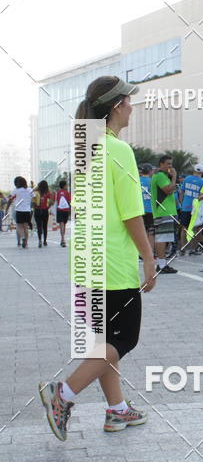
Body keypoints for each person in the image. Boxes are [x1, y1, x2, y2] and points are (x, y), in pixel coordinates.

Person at [39, 75, 155, 440]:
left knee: (103, 340)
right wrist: (149, 258)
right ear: (117, 106)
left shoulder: (85, 149)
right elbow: (131, 214)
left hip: (86, 261)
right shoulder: (118, 150)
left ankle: (117, 410)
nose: (132, 106)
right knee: (123, 339)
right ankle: (63, 394)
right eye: (128, 100)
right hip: (113, 263)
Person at [151, 154, 178, 274]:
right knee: (162, 238)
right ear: (161, 164)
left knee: (164, 238)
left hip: (166, 211)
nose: (170, 166)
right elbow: (168, 190)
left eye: (171, 164)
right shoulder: (160, 176)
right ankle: (161, 265)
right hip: (163, 211)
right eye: (168, 164)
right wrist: (174, 177)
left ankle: (162, 264)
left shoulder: (162, 175)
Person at [179, 165, 203, 254]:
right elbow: (202, 196)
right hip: (195, 208)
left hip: (185, 207)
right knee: (195, 228)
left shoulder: (187, 179)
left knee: (184, 228)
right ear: (202, 172)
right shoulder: (202, 182)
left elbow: (181, 192)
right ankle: (193, 249)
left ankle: (183, 249)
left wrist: (182, 203)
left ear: (193, 171)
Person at [6, 177, 33, 248]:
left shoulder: (16, 191)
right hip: (27, 211)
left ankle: (22, 237)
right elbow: (33, 197)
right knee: (26, 227)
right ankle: (26, 242)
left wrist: (6, 209)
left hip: (19, 210)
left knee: (19, 226)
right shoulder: (29, 190)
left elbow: (10, 200)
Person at [32, 180, 54, 247]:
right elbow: (51, 202)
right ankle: (45, 241)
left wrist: (35, 208)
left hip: (37, 210)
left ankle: (40, 241)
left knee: (39, 226)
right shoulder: (48, 193)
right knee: (45, 227)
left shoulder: (36, 192)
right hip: (45, 211)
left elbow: (33, 202)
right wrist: (47, 207)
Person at [139, 164, 155, 249]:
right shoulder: (152, 181)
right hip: (150, 210)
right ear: (150, 171)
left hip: (139, 210)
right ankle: (150, 251)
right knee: (151, 232)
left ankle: (140, 252)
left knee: (141, 232)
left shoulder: (136, 180)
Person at [55, 180, 71, 247]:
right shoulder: (67, 193)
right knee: (64, 224)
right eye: (66, 185)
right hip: (66, 210)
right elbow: (70, 201)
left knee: (61, 224)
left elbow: (57, 201)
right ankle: (63, 239)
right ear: (64, 186)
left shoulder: (58, 192)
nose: (67, 186)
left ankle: (62, 239)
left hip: (59, 210)